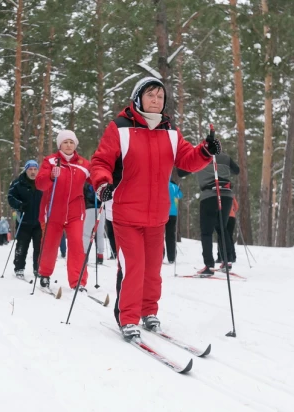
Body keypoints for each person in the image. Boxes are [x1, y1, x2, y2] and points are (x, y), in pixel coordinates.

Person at [90, 76, 221, 341]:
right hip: (126, 212)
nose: (156, 101)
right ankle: (127, 317)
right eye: (150, 95)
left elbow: (186, 160)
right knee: (134, 266)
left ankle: (149, 312)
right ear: (138, 98)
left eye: (160, 97)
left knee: (152, 270)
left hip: (158, 214)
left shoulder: (170, 130)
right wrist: (102, 184)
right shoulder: (120, 127)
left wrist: (205, 151)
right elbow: (101, 160)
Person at [35, 130, 91, 290]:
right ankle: (44, 274)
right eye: (65, 142)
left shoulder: (83, 164)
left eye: (71, 142)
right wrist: (51, 176)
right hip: (53, 211)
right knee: (50, 245)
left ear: (75, 145)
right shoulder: (51, 161)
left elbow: (96, 178)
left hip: (75, 212)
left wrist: (103, 185)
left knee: (76, 245)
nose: (68, 145)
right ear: (60, 144)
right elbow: (40, 184)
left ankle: (78, 281)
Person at [195, 151, 239, 274]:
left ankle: (208, 265)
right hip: (226, 194)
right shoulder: (226, 157)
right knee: (222, 228)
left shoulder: (200, 156)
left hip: (209, 194)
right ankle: (227, 260)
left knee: (207, 232)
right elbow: (237, 170)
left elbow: (183, 171)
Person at [7, 159, 43, 278]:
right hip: (23, 220)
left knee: (39, 247)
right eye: (30, 169)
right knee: (22, 246)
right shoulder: (18, 183)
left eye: (35, 169)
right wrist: (19, 205)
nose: (33, 172)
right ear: (26, 170)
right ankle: (19, 268)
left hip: (39, 221)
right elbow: (11, 197)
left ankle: (37, 269)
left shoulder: (43, 183)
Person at [82, 183, 106, 264]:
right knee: (100, 233)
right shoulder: (102, 182)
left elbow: (83, 195)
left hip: (89, 209)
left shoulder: (87, 183)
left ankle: (85, 255)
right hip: (101, 209)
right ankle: (100, 255)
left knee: (86, 233)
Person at [165, 179, 182, 264]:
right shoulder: (174, 186)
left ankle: (160, 255)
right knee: (170, 235)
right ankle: (171, 257)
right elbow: (180, 196)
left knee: (159, 235)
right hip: (172, 214)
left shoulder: (162, 184)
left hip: (162, 212)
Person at [217, 198, 238, 265]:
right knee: (229, 237)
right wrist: (233, 210)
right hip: (232, 218)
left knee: (222, 236)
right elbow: (236, 206)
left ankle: (221, 256)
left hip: (224, 216)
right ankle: (232, 256)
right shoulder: (231, 194)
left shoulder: (220, 194)